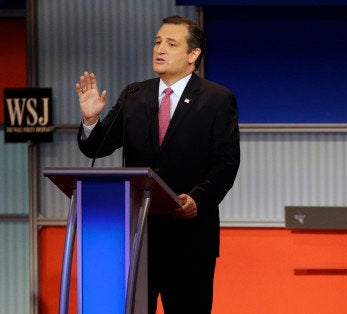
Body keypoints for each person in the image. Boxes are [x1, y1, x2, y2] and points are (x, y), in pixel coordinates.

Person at [75, 16, 240, 313]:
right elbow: (95, 147)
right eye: (157, 42)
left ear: (193, 55)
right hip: (138, 237)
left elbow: (226, 163)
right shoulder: (135, 95)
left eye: (171, 43)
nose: (160, 49)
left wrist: (198, 199)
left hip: (190, 238)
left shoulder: (217, 99)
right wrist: (90, 120)